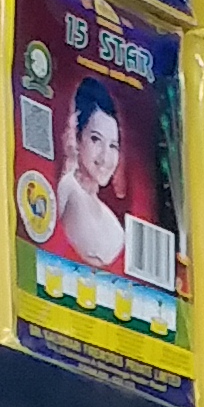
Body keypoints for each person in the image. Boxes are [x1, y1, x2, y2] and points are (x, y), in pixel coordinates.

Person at [55, 77, 134, 274]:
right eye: (96, 139)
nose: (105, 157)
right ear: (78, 136)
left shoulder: (111, 220)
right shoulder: (65, 189)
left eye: (113, 146)